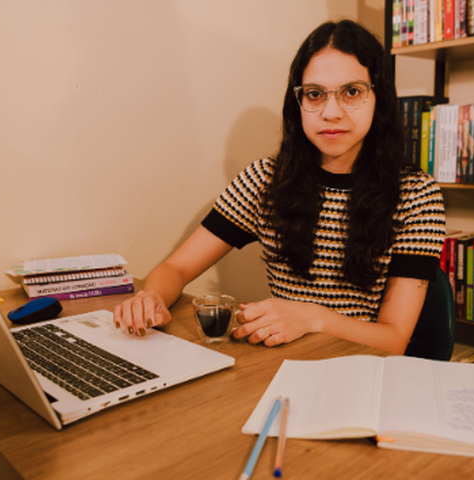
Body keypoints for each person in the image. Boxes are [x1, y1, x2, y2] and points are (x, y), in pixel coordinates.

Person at [113, 19, 446, 354]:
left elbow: (394, 339)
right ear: (297, 102)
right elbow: (176, 267)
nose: (331, 112)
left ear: (379, 97)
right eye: (314, 94)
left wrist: (313, 318)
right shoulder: (265, 180)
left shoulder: (416, 194)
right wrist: (151, 297)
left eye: (352, 92)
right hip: (280, 363)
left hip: (361, 367)